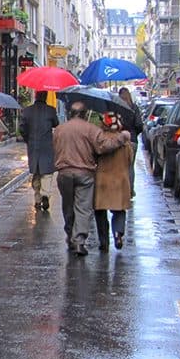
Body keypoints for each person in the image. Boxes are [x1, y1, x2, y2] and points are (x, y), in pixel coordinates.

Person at [53, 101, 130, 256]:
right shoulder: (91, 129)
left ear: (70, 113)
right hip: (84, 173)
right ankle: (79, 241)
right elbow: (104, 146)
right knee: (83, 208)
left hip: (64, 173)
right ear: (84, 114)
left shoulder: (59, 129)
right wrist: (122, 137)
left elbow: (55, 148)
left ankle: (70, 235)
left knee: (68, 206)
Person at [94, 112, 133, 252]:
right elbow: (130, 161)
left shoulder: (100, 140)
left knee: (100, 211)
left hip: (102, 180)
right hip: (120, 180)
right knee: (119, 210)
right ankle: (118, 233)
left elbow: (93, 158)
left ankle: (104, 241)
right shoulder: (125, 142)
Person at [20, 91, 59, 211]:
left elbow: (22, 128)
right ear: (46, 97)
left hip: (33, 146)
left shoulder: (27, 111)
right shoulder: (51, 110)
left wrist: (28, 139)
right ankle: (45, 194)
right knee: (46, 173)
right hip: (47, 146)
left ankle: (37, 199)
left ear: (35, 97)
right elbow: (56, 124)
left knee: (36, 173)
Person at [117, 87, 143, 197]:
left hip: (119, 140)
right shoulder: (134, 107)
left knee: (119, 166)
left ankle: (121, 190)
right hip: (132, 140)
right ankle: (130, 191)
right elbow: (139, 125)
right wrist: (134, 134)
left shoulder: (116, 107)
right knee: (130, 167)